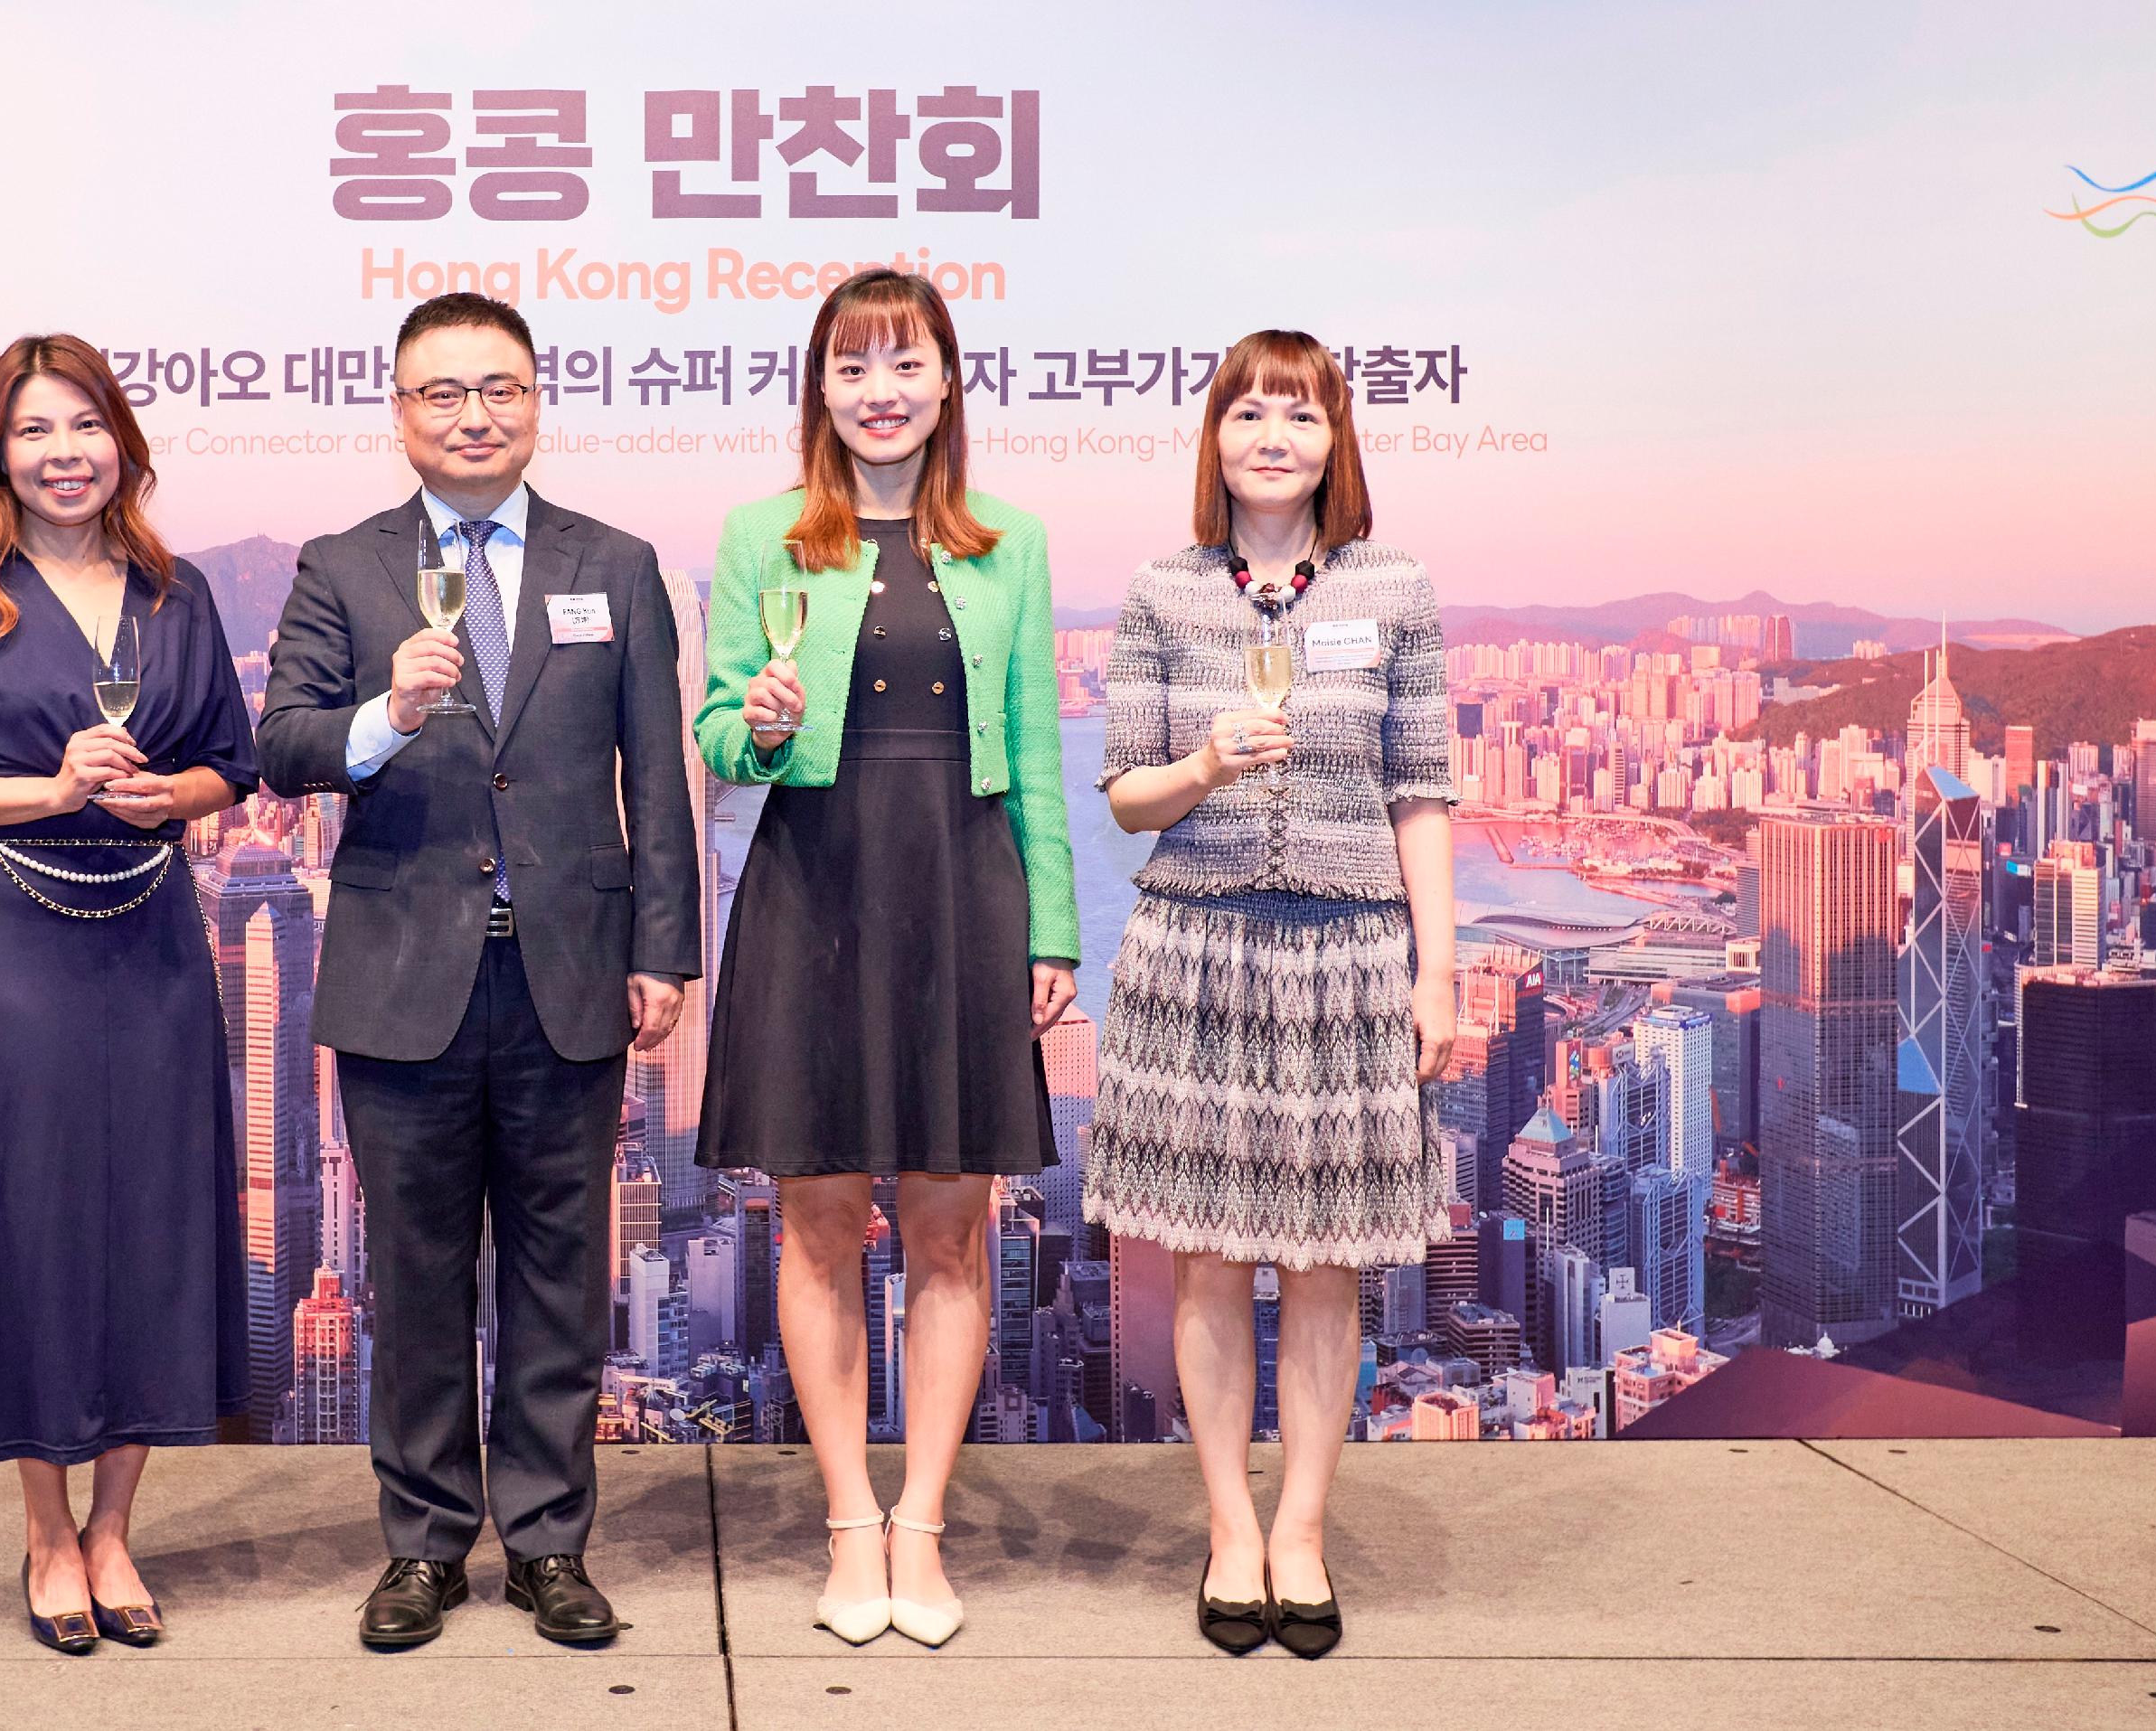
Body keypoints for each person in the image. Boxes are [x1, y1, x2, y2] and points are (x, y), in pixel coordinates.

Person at [256, 292, 701, 1650]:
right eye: (442, 393)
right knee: (420, 1274)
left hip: (569, 972)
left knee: (563, 1278)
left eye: (499, 388)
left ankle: (553, 1543)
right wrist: (386, 715)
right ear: (399, 414)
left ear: (536, 402)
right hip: (404, 978)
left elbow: (655, 775)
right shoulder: (340, 567)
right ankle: (426, 1548)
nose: (473, 415)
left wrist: (666, 951)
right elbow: (281, 746)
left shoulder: (614, 564)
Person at [693, 268, 1078, 1650]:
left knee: (949, 1221)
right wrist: (762, 717)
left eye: (902, 364)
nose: (879, 392)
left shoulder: (1010, 543)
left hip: (963, 888)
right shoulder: (760, 535)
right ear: (821, 391)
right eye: (852, 369)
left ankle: (924, 1520)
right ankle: (848, 1518)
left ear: (947, 382)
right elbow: (723, 737)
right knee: (814, 1214)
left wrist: (1050, 929)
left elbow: (1031, 747)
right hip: (812, 882)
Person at [0, 334, 260, 1656]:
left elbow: (228, 762)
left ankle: (117, 1530)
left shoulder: (176, 590)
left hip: (152, 929)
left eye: (84, 425)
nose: (63, 453)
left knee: (154, 1218)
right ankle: (46, 1535)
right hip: (13, 939)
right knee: (29, 1224)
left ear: (123, 442)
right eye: (34, 432)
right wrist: (51, 788)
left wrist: (172, 796)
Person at [1086, 329, 1457, 1660]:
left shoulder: (1397, 589)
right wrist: (1201, 765)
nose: (1271, 435)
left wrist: (1441, 967)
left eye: (1298, 413)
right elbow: (1126, 796)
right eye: (1246, 411)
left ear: (1334, 438)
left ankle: (1301, 1529)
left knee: (1324, 1268)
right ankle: (1229, 1527)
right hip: (1199, 952)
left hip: (1353, 957)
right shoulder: (1161, 592)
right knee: (1207, 1260)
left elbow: (1423, 793)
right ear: (1215, 438)